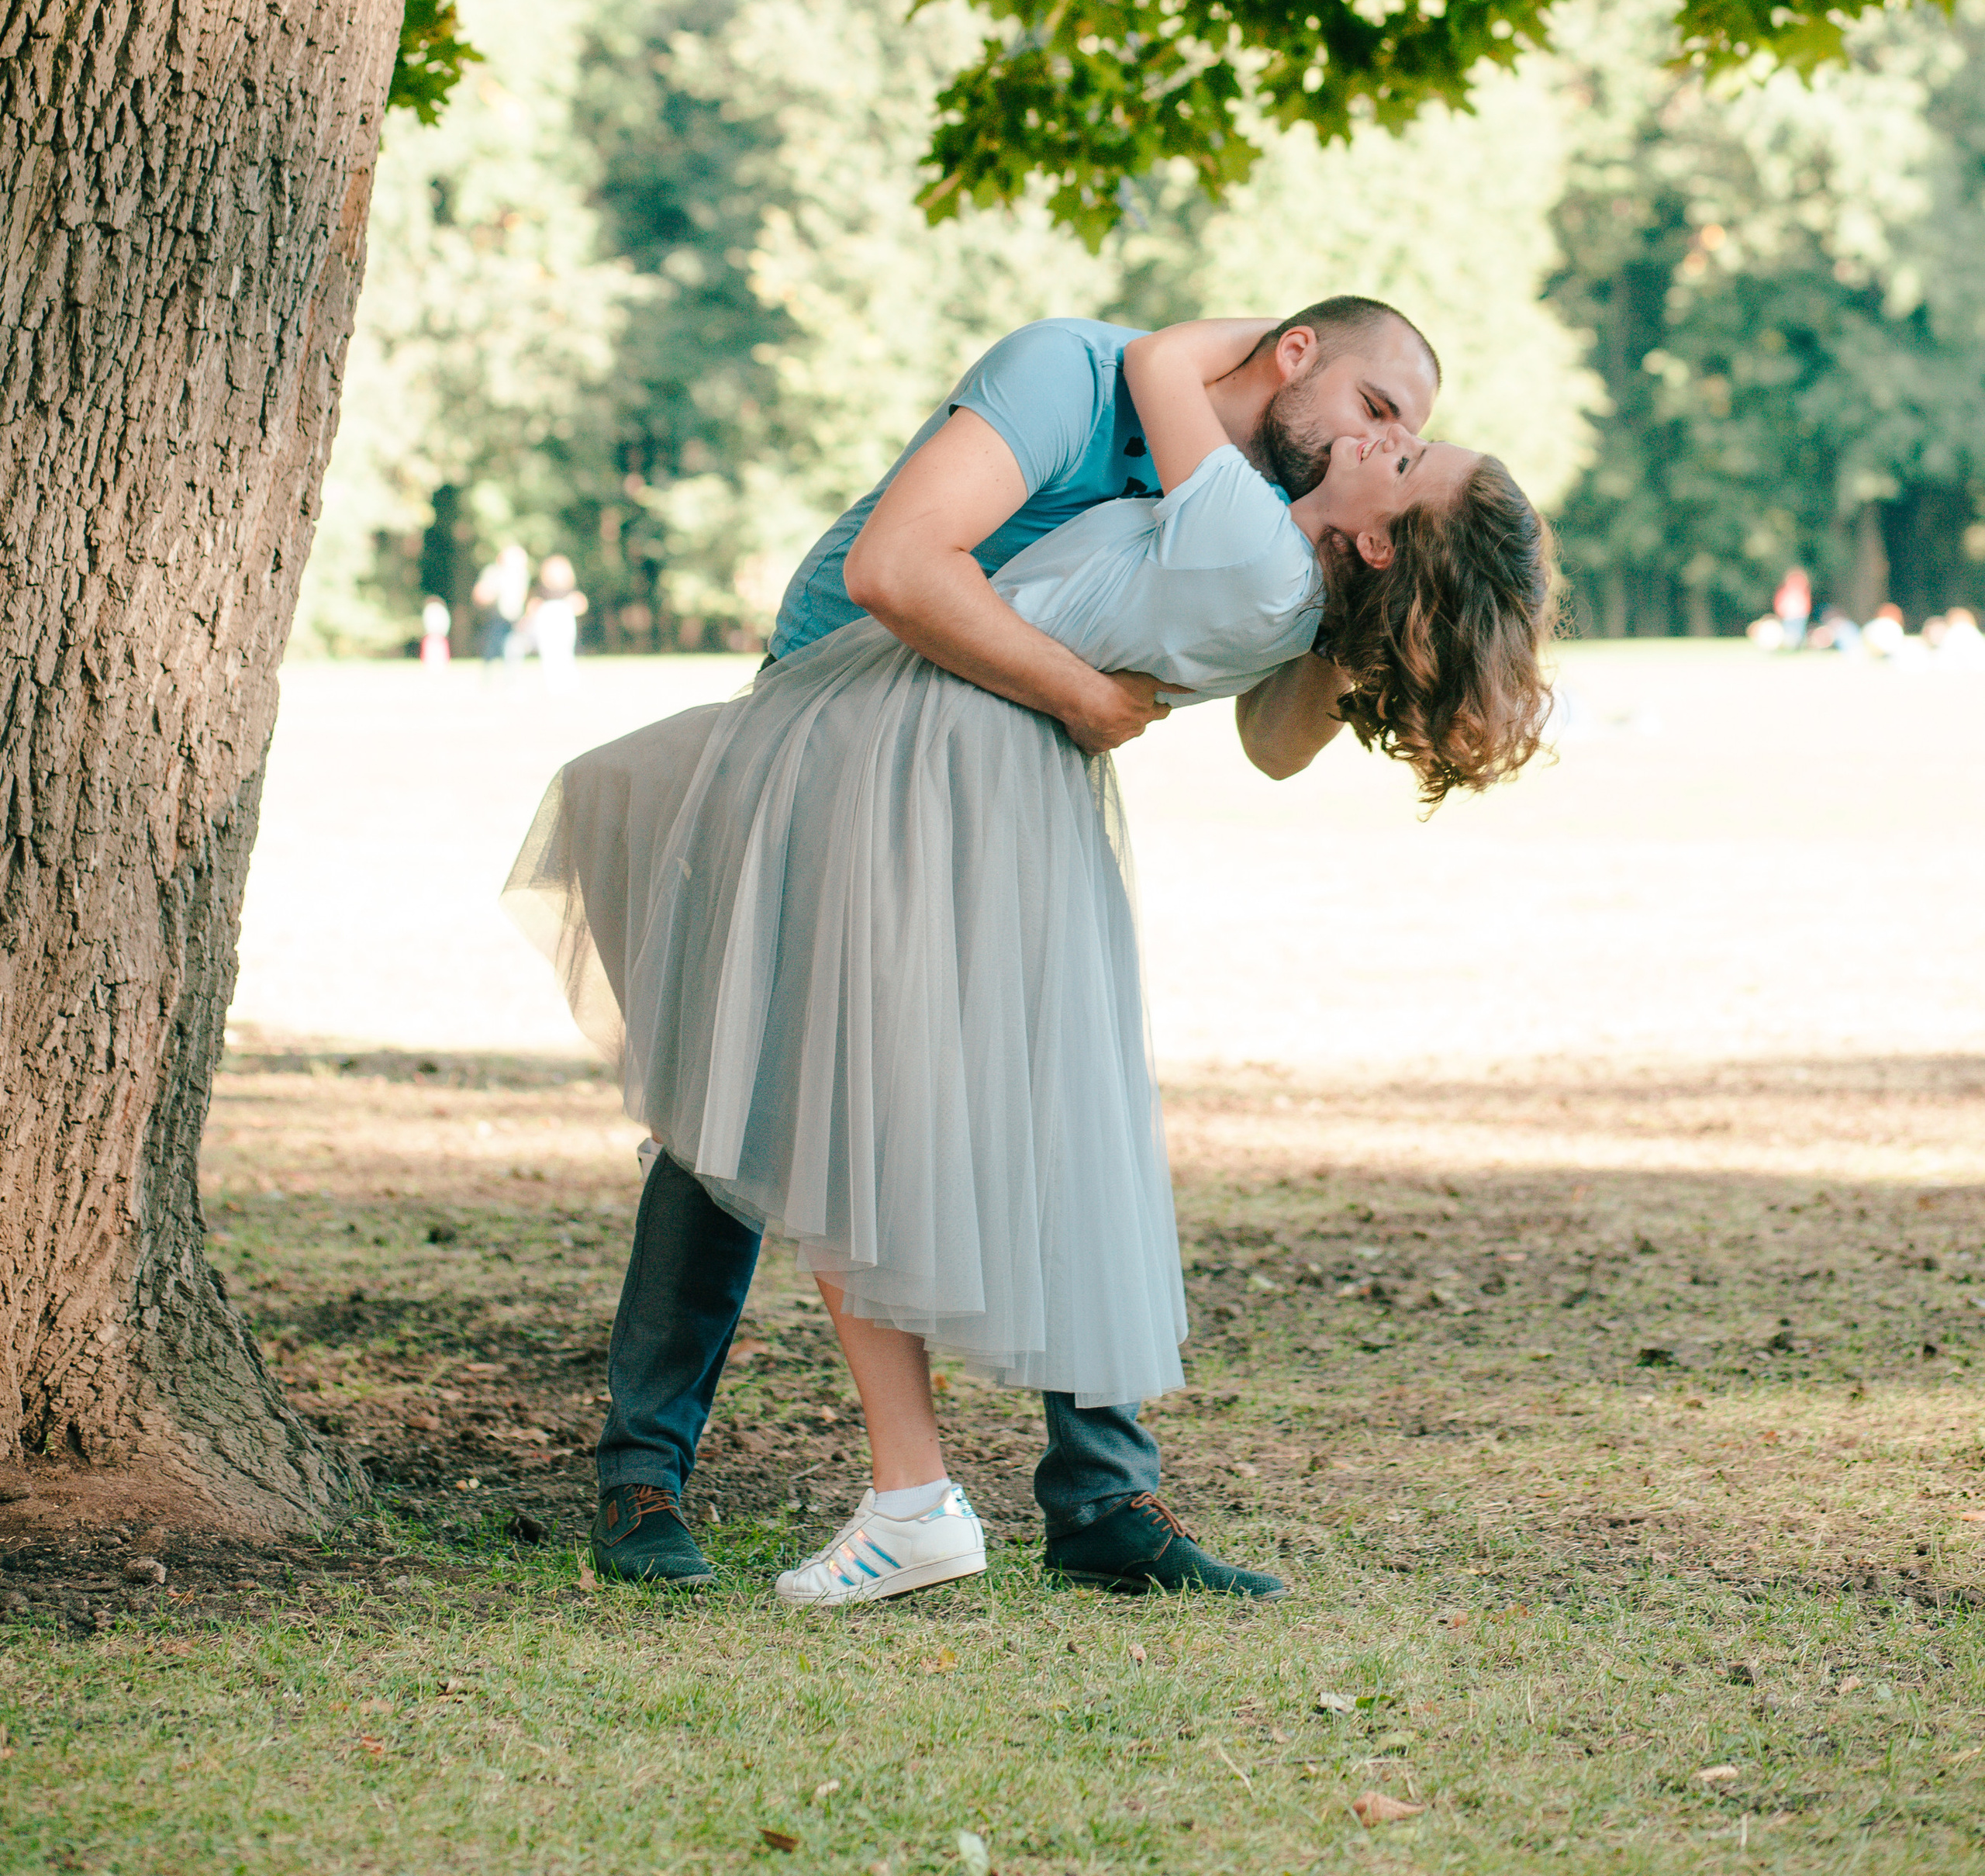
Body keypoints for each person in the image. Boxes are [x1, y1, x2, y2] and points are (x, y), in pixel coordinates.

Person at [507, 302, 1545, 1605]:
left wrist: (1384, 621)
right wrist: (1084, 692)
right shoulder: (1077, 377)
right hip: (855, 707)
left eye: (1409, 442)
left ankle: (1089, 1498)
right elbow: (898, 570)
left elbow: (1275, 738)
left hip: (993, 771)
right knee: (757, 1077)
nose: (1383, 437)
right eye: (1380, 411)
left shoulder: (1280, 529)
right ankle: (648, 1471)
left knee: (1044, 1093)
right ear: (1295, 354)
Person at [532, 555, 589, 693]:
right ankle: (553, 684)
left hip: (563, 617)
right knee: (548, 651)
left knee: (565, 649)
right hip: (546, 618)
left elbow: (581, 605)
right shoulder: (541, 590)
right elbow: (533, 605)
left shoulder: (570, 590)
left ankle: (569, 681)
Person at [1771, 565, 1812, 652]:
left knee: (1798, 634)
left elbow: (1805, 605)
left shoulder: (1802, 593)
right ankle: (1788, 647)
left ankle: (1796, 647)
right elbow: (1780, 603)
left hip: (1799, 617)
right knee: (1789, 634)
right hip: (1789, 616)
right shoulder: (1786, 592)